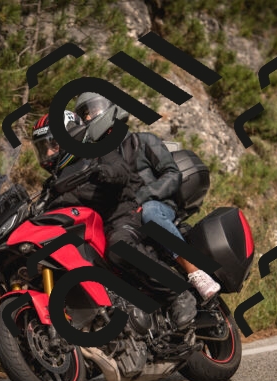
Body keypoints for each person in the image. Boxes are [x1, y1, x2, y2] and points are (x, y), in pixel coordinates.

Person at [30, 110, 198, 330]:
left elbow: (120, 171)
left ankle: (178, 294)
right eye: (43, 148)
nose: (48, 152)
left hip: (121, 214)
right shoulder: (53, 184)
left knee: (119, 246)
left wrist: (103, 172)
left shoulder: (97, 152)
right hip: (89, 229)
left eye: (52, 144)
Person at [74, 92, 221, 306]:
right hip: (126, 217)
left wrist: (143, 196)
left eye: (92, 111)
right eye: (84, 115)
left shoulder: (143, 141)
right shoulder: (96, 161)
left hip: (159, 206)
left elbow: (173, 174)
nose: (89, 118)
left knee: (150, 212)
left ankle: (195, 272)